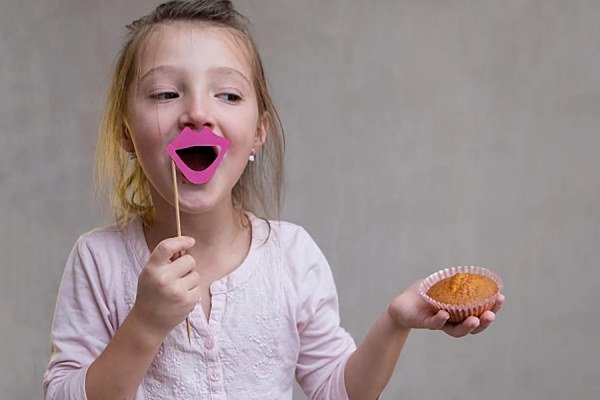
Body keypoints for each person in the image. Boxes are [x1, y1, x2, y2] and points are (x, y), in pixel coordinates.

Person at [43, 1, 505, 399]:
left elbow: (337, 390)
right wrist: (144, 325)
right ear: (126, 132)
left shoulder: (292, 257)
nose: (198, 113)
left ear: (259, 132)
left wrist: (395, 321)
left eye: (227, 94)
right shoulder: (97, 260)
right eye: (166, 92)